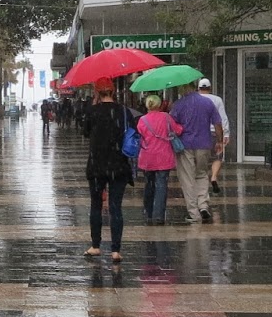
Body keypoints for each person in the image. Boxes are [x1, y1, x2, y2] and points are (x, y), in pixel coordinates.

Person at [80, 78, 133, 261]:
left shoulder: (92, 111)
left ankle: (96, 246)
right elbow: (132, 132)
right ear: (113, 91)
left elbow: (86, 132)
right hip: (119, 164)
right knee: (115, 207)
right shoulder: (123, 111)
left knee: (96, 205)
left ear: (96, 92)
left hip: (97, 165)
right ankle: (116, 250)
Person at [168, 80, 222, 223]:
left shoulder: (178, 105)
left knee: (187, 178)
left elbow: (171, 125)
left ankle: (194, 213)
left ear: (183, 88)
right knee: (202, 174)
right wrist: (220, 141)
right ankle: (203, 205)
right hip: (204, 143)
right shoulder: (207, 103)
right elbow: (217, 123)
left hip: (185, 145)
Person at [135, 94, 183, 224]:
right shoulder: (166, 117)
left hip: (147, 157)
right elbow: (177, 130)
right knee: (161, 185)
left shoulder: (142, 120)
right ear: (160, 104)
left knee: (149, 184)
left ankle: (148, 212)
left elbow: (140, 134)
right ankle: (159, 215)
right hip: (163, 157)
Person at [199, 77, 230, 194]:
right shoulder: (217, 100)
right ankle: (214, 177)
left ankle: (201, 181)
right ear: (210, 88)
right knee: (217, 157)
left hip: (200, 133)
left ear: (199, 88)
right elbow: (222, 117)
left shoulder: (195, 100)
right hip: (214, 133)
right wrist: (226, 134)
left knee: (201, 158)